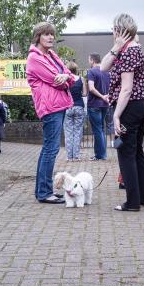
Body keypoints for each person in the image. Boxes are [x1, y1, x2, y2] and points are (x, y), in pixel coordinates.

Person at [101, 13, 144, 211]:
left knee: (126, 153)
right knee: (137, 151)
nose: (111, 32)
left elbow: (126, 88)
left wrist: (116, 116)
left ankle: (132, 202)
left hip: (129, 107)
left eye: (113, 29)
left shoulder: (130, 52)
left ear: (119, 30)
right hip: (137, 105)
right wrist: (115, 47)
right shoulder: (127, 50)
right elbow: (103, 67)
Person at [25, 21, 75, 204]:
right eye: (46, 34)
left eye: (52, 34)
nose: (51, 37)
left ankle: (43, 191)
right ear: (38, 36)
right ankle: (45, 193)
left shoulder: (52, 55)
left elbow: (70, 75)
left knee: (49, 149)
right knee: (50, 149)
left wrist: (67, 77)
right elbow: (56, 80)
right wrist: (65, 78)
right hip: (50, 107)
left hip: (58, 105)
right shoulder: (35, 58)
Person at [85, 53, 111, 160]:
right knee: (101, 129)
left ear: (92, 60)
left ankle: (100, 155)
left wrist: (101, 97)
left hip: (94, 104)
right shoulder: (107, 72)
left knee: (97, 130)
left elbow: (91, 88)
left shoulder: (91, 71)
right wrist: (106, 97)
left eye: (89, 60)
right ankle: (100, 154)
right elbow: (112, 87)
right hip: (105, 105)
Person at [64, 61, 86, 161]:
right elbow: (85, 93)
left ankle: (69, 157)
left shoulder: (66, 80)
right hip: (79, 106)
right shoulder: (81, 79)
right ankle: (76, 156)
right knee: (78, 132)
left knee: (68, 132)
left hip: (68, 107)